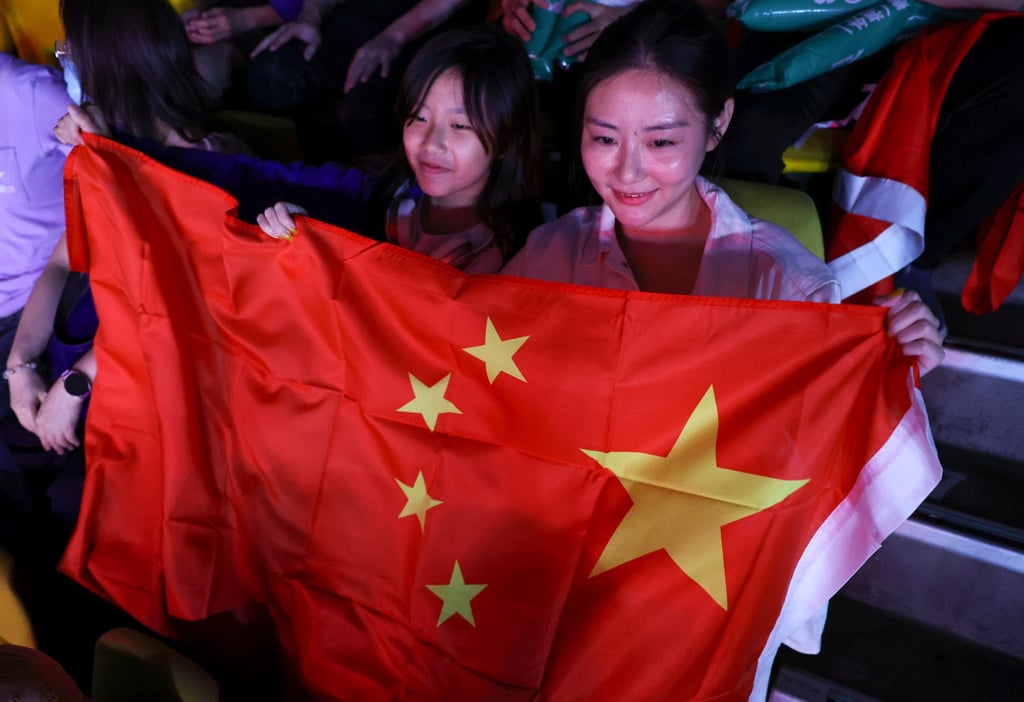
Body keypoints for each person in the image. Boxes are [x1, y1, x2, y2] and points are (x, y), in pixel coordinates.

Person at [500, 0, 945, 375]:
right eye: (604, 138)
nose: (628, 172)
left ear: (718, 124)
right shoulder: (549, 256)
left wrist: (887, 365)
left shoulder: (785, 287)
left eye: (661, 141)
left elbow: (814, 429)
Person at [8, 0, 252, 463]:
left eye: (69, 55)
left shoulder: (211, 165)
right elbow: (63, 262)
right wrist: (19, 366)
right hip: (88, 364)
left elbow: (176, 301)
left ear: (109, 71)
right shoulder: (100, 151)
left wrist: (76, 382)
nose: (64, 66)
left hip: (155, 401)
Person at [257, 26, 542, 274]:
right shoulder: (385, 195)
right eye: (419, 117)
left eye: (460, 126)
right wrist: (299, 230)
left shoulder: (516, 257)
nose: (431, 142)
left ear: (507, 137)